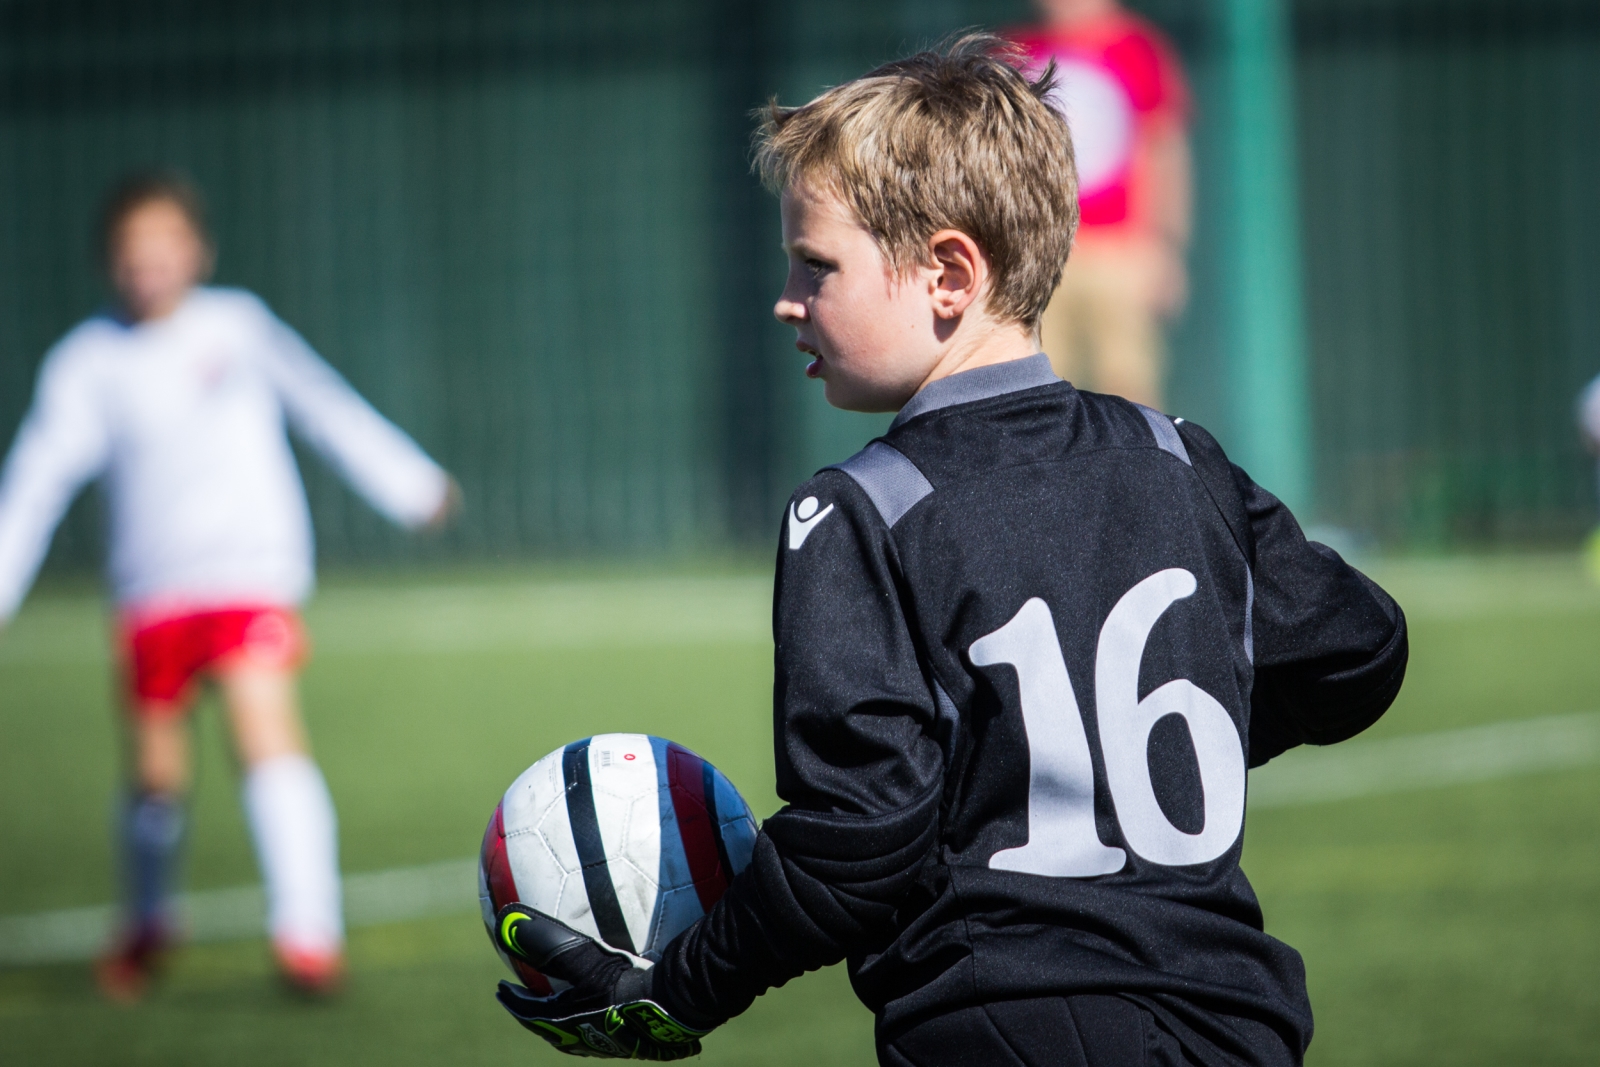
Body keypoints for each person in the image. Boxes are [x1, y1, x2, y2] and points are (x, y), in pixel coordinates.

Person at [487, 37, 1407, 1066]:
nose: (787, 296)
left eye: (816, 263)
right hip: (1236, 1023)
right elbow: (1358, 650)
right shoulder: (1175, 455)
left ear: (948, 273)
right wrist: (1135, 750)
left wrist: (676, 989)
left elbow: (858, 842)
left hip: (1003, 1026)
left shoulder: (863, 509)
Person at [0, 172, 458, 1000]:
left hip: (248, 579)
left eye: (165, 248)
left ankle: (307, 933)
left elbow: (323, 403)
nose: (150, 268)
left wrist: (410, 483)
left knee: (265, 730)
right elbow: (36, 479)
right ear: (109, 264)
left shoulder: (238, 325)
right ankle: (147, 922)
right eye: (132, 255)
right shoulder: (87, 362)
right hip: (151, 595)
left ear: (198, 250)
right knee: (155, 778)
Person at [1013, 0, 1192, 409]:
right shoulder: (1019, 49)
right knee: (1041, 390)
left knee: (1128, 387)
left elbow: (1163, 150)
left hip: (1120, 248)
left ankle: (1138, 472)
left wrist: (1164, 245)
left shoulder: (1136, 48)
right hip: (1039, 251)